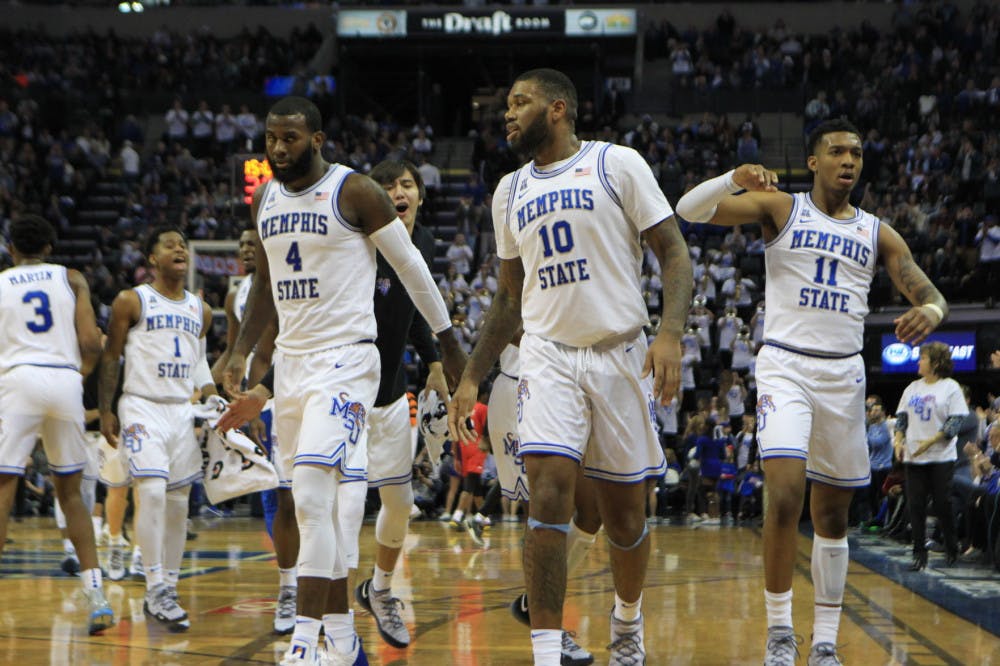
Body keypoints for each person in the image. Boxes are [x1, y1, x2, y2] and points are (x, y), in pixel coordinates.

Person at [676, 118, 949, 666]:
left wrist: (932, 309)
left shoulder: (877, 231)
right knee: (781, 495)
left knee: (832, 517)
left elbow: (921, 282)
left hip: (844, 375)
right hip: (785, 367)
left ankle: (824, 639)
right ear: (814, 162)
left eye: (857, 152)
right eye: (837, 151)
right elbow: (689, 210)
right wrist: (734, 176)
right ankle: (780, 632)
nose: (849, 160)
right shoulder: (780, 207)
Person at [449, 68, 692, 666]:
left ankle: (627, 624)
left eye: (519, 102)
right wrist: (473, 376)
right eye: (505, 103)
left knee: (623, 517)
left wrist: (670, 333)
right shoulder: (508, 190)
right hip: (549, 356)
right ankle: (547, 649)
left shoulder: (618, 164)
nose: (507, 113)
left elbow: (675, 252)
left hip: (619, 353)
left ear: (558, 109)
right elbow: (509, 298)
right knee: (549, 497)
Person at [220, 96, 464, 666]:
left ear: (318, 140)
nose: (279, 149)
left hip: (349, 362)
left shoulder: (353, 191)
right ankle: (344, 638)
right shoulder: (266, 198)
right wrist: (239, 352)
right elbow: (265, 287)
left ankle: (305, 645)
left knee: (310, 496)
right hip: (294, 362)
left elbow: (411, 266)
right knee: (316, 507)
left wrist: (448, 343)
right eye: (271, 139)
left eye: (291, 139)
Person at [350, 159, 451, 649]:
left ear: (420, 197)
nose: (397, 192)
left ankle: (381, 588)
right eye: (387, 186)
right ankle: (320, 620)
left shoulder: (424, 245)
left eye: (406, 184)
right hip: (344, 395)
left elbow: (411, 308)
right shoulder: (356, 243)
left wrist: (433, 362)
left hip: (390, 398)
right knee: (335, 509)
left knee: (400, 504)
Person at [0, 214, 115, 635]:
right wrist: (74, 378)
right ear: (49, 248)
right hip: (65, 380)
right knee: (71, 495)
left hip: (17, 379)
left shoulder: (0, 282)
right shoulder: (72, 279)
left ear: (11, 249)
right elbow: (90, 343)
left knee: (4, 487)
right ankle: (97, 594)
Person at [99, 225, 213, 633]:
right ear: (152, 258)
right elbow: (111, 356)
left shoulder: (201, 309)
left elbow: (199, 361)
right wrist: (106, 409)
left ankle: (170, 586)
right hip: (141, 406)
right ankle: (153, 587)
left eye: (182, 244)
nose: (179, 248)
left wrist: (212, 391)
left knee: (179, 502)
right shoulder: (132, 300)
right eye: (170, 245)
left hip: (181, 410)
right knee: (149, 491)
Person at [211, 227, 295, 635]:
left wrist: (262, 402)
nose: (247, 249)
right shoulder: (234, 296)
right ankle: (289, 586)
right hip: (257, 396)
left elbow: (268, 351)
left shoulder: (282, 281)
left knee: (293, 496)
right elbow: (234, 352)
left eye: (252, 243)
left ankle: (307, 582)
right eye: (242, 244)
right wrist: (209, 388)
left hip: (284, 391)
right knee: (273, 495)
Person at [893, 341, 968, 571]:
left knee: (942, 504)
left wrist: (930, 441)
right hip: (915, 457)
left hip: (940, 457)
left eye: (923, 358)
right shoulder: (912, 388)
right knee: (915, 505)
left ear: (935, 363)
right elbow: (902, 418)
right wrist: (898, 440)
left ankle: (952, 547)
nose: (918, 362)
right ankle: (919, 553)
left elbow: (955, 421)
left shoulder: (950, 387)